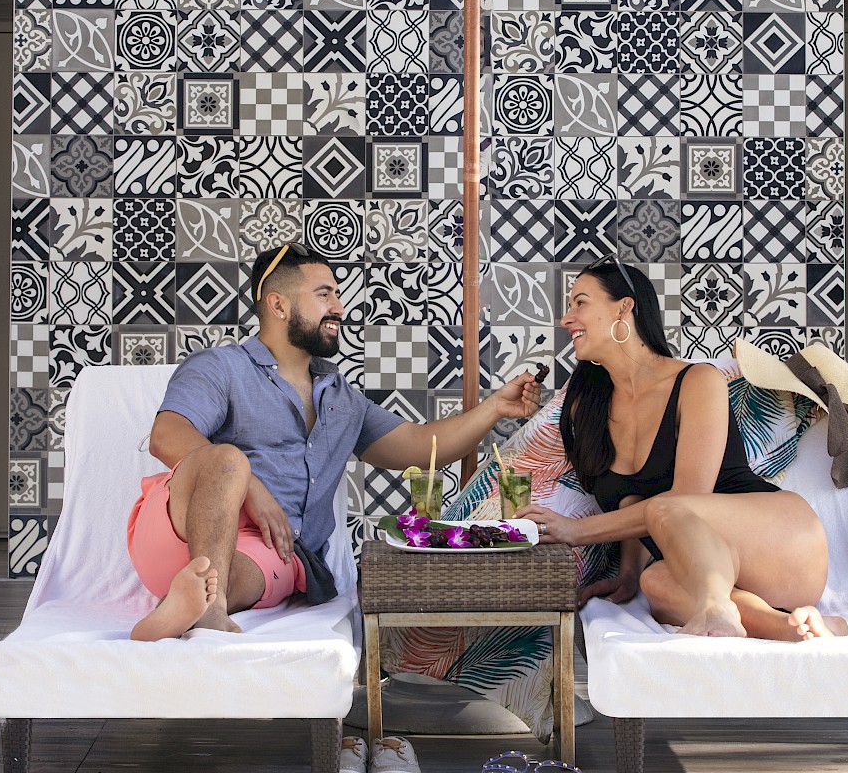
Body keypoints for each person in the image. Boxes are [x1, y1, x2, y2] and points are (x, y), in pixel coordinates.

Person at [128, 242, 543, 641]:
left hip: (267, 549)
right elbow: (166, 436)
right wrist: (250, 487)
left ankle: (186, 603)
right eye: (324, 295)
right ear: (278, 305)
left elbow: (419, 445)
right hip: (180, 526)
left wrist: (494, 408)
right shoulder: (221, 367)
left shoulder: (341, 397)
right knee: (229, 461)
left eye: (338, 296)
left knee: (270, 570)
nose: (339, 309)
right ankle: (209, 610)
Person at [515, 257, 847, 641]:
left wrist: (577, 531)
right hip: (708, 571)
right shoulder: (586, 407)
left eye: (580, 303)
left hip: (780, 543)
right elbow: (629, 499)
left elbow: (685, 500)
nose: (566, 319)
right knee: (655, 581)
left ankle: (717, 606)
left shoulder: (697, 380)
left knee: (668, 506)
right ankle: (800, 629)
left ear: (625, 306)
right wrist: (627, 574)